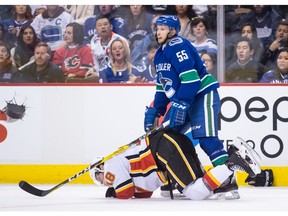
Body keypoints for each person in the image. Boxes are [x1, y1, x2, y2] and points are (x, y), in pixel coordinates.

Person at [143, 15, 239, 199]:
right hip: (184, 100)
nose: (158, 32)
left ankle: (227, 179)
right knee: (166, 137)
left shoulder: (180, 45)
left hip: (202, 95)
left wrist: (181, 103)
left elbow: (192, 79)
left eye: (163, 28)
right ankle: (182, 176)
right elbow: (162, 87)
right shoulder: (159, 54)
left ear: (172, 30)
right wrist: (157, 109)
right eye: (157, 28)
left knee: (206, 139)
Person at [89, 128, 261, 200]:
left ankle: (233, 163)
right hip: (169, 144)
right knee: (204, 191)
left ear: (101, 166)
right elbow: (145, 194)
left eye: (99, 175)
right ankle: (232, 159)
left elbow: (125, 192)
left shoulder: (111, 162)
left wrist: (115, 192)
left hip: (163, 149)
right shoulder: (122, 162)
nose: (103, 180)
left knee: (195, 193)